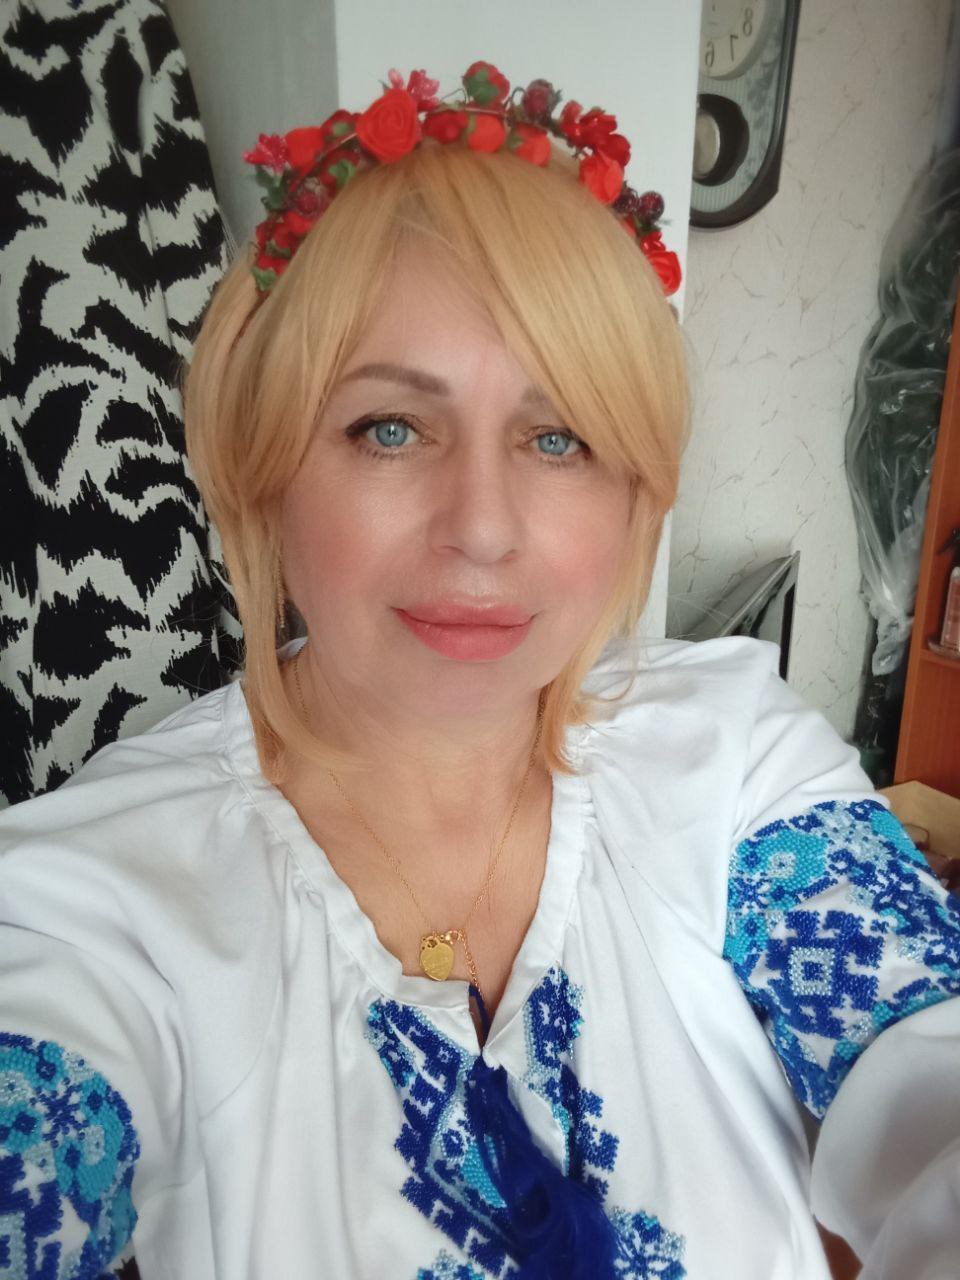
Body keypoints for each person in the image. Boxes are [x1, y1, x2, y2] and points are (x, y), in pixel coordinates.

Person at [0, 60, 958, 1280]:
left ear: (633, 489)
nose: (485, 528)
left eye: (558, 437)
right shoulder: (102, 900)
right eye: (390, 428)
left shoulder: (732, 758)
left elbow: (926, 1061)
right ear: (266, 469)